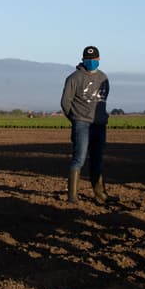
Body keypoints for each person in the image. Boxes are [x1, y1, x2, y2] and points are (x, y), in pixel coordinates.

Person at [61, 46, 111, 205]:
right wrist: (75, 119)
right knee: (79, 159)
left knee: (97, 159)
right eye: (88, 59)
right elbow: (65, 102)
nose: (91, 62)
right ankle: (72, 196)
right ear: (83, 60)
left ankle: (100, 194)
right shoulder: (74, 78)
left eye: (94, 59)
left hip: (99, 125)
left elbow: (103, 99)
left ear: (99, 59)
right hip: (81, 124)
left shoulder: (103, 78)